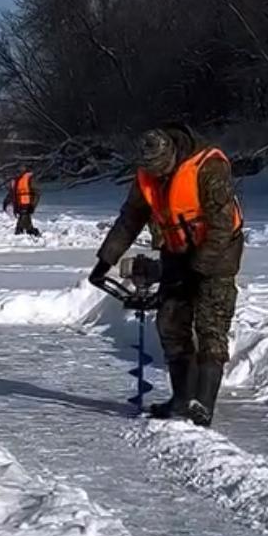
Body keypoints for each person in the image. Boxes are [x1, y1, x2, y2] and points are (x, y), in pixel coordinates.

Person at [90, 125, 244, 427]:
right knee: (170, 321)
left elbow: (222, 226)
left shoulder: (207, 167)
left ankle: (203, 405)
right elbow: (131, 217)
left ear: (172, 154)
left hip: (219, 250)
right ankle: (182, 398)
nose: (157, 175)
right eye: (151, 169)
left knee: (211, 321)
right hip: (176, 251)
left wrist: (198, 269)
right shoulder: (146, 175)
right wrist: (105, 260)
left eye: (161, 168)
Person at [3, 170, 41, 237]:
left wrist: (33, 205)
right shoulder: (15, 180)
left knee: (23, 221)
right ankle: (31, 233)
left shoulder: (29, 178)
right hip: (19, 205)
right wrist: (6, 202)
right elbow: (12, 193)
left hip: (27, 204)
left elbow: (37, 193)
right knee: (26, 223)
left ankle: (22, 233)